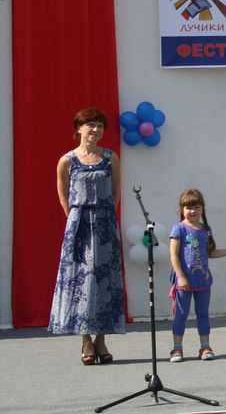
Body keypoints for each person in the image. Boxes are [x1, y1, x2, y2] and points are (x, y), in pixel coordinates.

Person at [48, 107, 125, 365]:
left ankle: (101, 339)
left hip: (104, 223)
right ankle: (85, 340)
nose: (96, 130)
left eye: (100, 126)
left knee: (104, 281)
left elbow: (116, 192)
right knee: (81, 284)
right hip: (79, 224)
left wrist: (105, 218)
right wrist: (75, 219)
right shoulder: (67, 160)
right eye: (90, 125)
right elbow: (63, 195)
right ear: (78, 128)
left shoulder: (111, 157)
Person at [169, 189, 226, 362]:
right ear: (181, 210)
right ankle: (177, 349)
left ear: (202, 209)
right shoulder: (179, 229)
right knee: (181, 314)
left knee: (203, 313)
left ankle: (205, 346)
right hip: (183, 282)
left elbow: (210, 253)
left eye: (196, 207)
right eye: (188, 207)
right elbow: (173, 255)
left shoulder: (206, 230)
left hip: (202, 281)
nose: (192, 211)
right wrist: (181, 276)